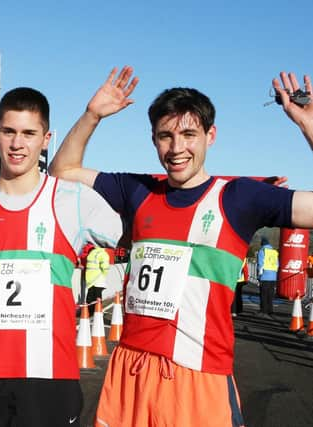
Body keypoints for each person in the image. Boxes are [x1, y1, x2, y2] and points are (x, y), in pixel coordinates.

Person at [49, 66, 313, 427]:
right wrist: (92, 116)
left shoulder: (240, 197)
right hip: (130, 370)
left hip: (199, 377)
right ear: (154, 139)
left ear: (211, 135)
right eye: (165, 136)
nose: (176, 148)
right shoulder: (139, 190)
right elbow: (62, 172)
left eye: (189, 134)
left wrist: (307, 125)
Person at [0, 87, 122, 427]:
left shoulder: (74, 200)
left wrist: (91, 117)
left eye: (29, 133)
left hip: (51, 380)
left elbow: (145, 221)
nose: (18, 144)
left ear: (46, 139)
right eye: (9, 132)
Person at [257, 237, 279, 316]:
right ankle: (270, 310)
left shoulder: (262, 251)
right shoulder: (274, 251)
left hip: (265, 276)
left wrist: (259, 277)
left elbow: (260, 264)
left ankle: (263, 310)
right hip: (273, 276)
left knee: (263, 294)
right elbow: (277, 264)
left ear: (262, 244)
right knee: (270, 294)